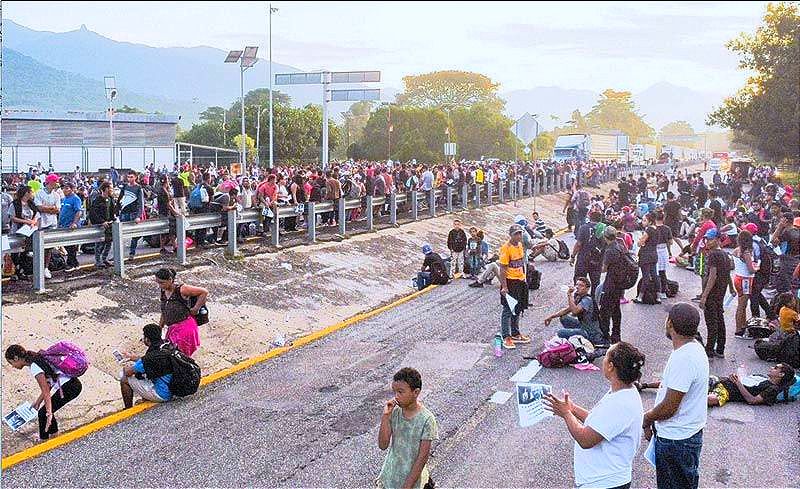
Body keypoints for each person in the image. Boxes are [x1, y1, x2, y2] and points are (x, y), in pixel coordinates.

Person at [544, 342, 645, 489]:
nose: (603, 360)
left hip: (605, 482)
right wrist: (572, 408)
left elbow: (586, 440)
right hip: (605, 479)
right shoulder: (623, 392)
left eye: (605, 356)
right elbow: (598, 423)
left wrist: (566, 413)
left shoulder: (621, 403)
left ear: (611, 366)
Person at [642, 303, 709, 489]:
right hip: (684, 437)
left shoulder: (684, 358)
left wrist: (647, 419)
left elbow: (670, 407)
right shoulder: (691, 348)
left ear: (670, 323)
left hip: (677, 441)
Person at [5, 344, 83, 440]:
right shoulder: (35, 358)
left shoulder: (34, 367)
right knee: (44, 412)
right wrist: (37, 403)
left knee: (43, 413)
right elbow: (49, 385)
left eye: (11, 363)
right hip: (73, 384)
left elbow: (46, 391)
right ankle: (54, 434)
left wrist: (49, 412)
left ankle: (44, 440)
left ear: (16, 358)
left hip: (69, 388)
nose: (13, 366)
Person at [378, 367, 438, 489]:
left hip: (413, 481)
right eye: (395, 392)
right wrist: (385, 417)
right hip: (390, 476)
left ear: (415, 392)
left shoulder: (426, 419)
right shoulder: (395, 412)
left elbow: (422, 458)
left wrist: (407, 486)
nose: (396, 396)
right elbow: (383, 445)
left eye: (401, 392)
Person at [155, 268, 208, 357]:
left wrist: (196, 308)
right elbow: (164, 310)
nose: (159, 285)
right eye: (158, 282)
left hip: (185, 329)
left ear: (170, 280)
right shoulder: (164, 291)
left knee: (179, 356)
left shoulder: (182, 289)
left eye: (162, 282)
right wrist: (159, 328)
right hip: (173, 329)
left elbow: (204, 292)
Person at [119, 323, 174, 408]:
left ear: (147, 340)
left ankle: (127, 408)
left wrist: (125, 367)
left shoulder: (149, 358)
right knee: (144, 374)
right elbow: (149, 361)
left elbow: (128, 372)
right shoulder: (166, 346)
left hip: (163, 394)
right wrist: (133, 358)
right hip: (173, 388)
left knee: (124, 378)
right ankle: (146, 397)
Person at [698, 229, 734, 358]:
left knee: (711, 322)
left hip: (713, 292)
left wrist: (704, 296)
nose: (707, 242)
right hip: (721, 291)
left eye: (710, 239)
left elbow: (712, 276)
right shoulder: (725, 254)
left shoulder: (713, 254)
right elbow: (727, 273)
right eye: (706, 239)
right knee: (719, 319)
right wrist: (731, 287)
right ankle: (720, 348)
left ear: (718, 240)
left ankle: (709, 349)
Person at [543, 277, 605, 345]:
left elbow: (574, 311)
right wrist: (551, 317)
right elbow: (567, 310)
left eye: (581, 285)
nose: (577, 287)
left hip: (589, 333)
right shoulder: (579, 297)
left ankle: (576, 337)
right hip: (583, 326)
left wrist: (569, 295)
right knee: (563, 318)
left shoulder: (587, 300)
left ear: (587, 288)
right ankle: (573, 335)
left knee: (560, 333)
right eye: (577, 285)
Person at [498, 224, 531, 349]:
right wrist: (504, 287)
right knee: (508, 309)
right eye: (516, 234)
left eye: (520, 233)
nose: (519, 236)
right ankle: (506, 336)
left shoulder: (520, 246)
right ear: (511, 235)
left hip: (520, 281)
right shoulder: (506, 248)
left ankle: (515, 333)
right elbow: (502, 270)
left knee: (517, 308)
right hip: (510, 282)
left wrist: (524, 278)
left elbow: (521, 264)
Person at [707, 363, 796, 407]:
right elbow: (744, 380)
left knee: (711, 399)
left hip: (726, 391)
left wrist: (737, 383)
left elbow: (752, 400)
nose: (771, 368)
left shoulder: (772, 388)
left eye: (776, 368)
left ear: (781, 374)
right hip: (722, 381)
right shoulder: (762, 378)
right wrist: (736, 378)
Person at [599, 226, 627, 344]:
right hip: (619, 284)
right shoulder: (620, 246)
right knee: (616, 311)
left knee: (605, 312)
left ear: (605, 237)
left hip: (611, 284)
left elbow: (604, 269)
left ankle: (605, 337)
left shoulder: (610, 250)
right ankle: (616, 335)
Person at [34, 173, 62, 279]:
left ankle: (45, 268)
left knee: (49, 247)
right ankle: (39, 267)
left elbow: (57, 209)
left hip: (52, 223)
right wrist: (51, 209)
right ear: (50, 182)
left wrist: (48, 208)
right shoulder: (39, 193)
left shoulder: (56, 195)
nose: (57, 183)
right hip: (41, 223)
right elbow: (39, 208)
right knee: (39, 247)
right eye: (55, 181)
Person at [732, 230, 759, 339]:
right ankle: (739, 330)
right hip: (746, 280)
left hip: (738, 277)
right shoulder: (746, 252)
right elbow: (751, 270)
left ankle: (742, 327)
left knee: (741, 305)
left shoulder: (736, 250)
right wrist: (757, 268)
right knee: (742, 306)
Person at [117, 170, 145, 260]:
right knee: (120, 234)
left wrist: (138, 216)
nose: (130, 179)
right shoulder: (124, 187)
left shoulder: (138, 188)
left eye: (131, 177)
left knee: (135, 235)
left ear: (135, 177)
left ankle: (132, 253)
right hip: (124, 213)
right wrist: (117, 211)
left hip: (133, 213)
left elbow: (141, 203)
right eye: (128, 177)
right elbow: (120, 200)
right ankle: (118, 254)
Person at [88, 181, 117, 269]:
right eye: (110, 188)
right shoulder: (97, 199)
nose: (111, 190)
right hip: (101, 224)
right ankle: (98, 261)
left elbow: (112, 211)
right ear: (106, 189)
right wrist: (101, 221)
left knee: (109, 242)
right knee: (99, 243)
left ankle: (104, 258)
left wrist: (113, 219)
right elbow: (93, 213)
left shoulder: (111, 199)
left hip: (109, 223)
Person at [634, 212, 660, 304]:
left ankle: (640, 297)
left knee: (645, 276)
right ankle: (658, 296)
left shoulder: (648, 230)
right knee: (654, 275)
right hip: (653, 254)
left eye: (645, 220)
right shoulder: (657, 229)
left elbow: (640, 242)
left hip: (645, 255)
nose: (643, 222)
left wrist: (640, 241)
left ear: (650, 221)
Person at [58, 182, 83, 271]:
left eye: (67, 188)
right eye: (64, 188)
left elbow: (79, 211)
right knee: (67, 245)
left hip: (71, 226)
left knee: (71, 245)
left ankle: (71, 263)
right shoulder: (64, 199)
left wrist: (74, 223)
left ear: (72, 189)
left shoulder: (75, 199)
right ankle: (75, 263)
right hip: (63, 225)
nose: (64, 190)